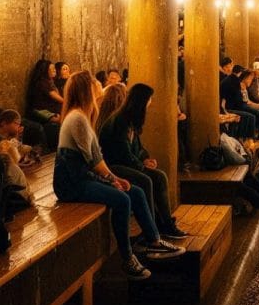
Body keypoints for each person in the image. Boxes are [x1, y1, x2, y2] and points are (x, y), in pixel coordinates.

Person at [53, 71, 185, 281]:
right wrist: (112, 179)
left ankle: (153, 240)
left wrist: (112, 178)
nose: (100, 86)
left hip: (82, 176)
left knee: (137, 191)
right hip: (72, 182)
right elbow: (94, 160)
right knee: (123, 199)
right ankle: (128, 258)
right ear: (87, 90)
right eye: (95, 83)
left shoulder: (82, 116)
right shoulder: (77, 118)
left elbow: (96, 156)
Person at [98, 83, 188, 239]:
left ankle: (165, 224)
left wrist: (146, 159)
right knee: (146, 180)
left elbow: (138, 148)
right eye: (149, 99)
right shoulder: (120, 121)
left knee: (159, 177)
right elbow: (123, 154)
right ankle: (152, 230)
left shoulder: (130, 119)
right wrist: (141, 165)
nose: (150, 102)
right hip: (112, 166)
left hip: (125, 163)